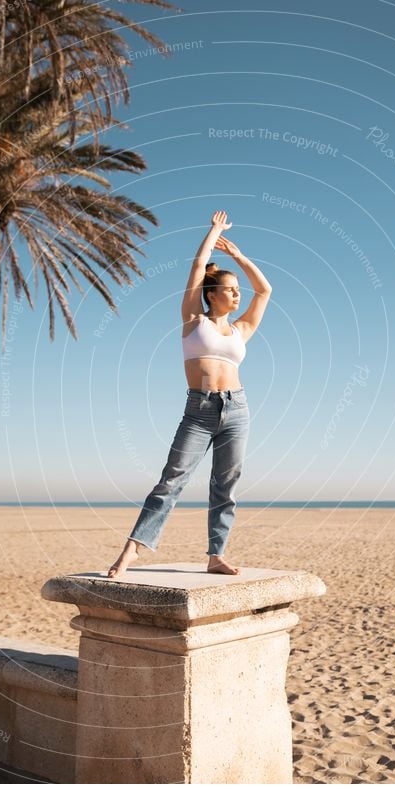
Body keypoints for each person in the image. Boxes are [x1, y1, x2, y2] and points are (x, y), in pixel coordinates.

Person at [107, 210, 272, 577]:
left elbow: (265, 290)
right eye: (229, 289)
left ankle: (216, 555)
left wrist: (240, 258)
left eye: (236, 290)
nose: (236, 294)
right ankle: (130, 552)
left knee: (225, 484)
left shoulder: (241, 329)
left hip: (237, 408)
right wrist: (214, 233)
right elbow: (198, 267)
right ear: (210, 296)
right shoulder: (193, 321)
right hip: (199, 410)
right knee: (171, 480)